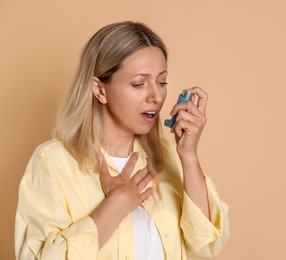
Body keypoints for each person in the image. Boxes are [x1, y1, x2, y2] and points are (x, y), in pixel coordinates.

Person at [14, 21, 229, 259]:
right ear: (100, 90)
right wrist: (116, 205)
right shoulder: (52, 162)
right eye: (139, 83)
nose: (156, 96)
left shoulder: (168, 156)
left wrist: (188, 157)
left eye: (162, 82)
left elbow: (205, 246)